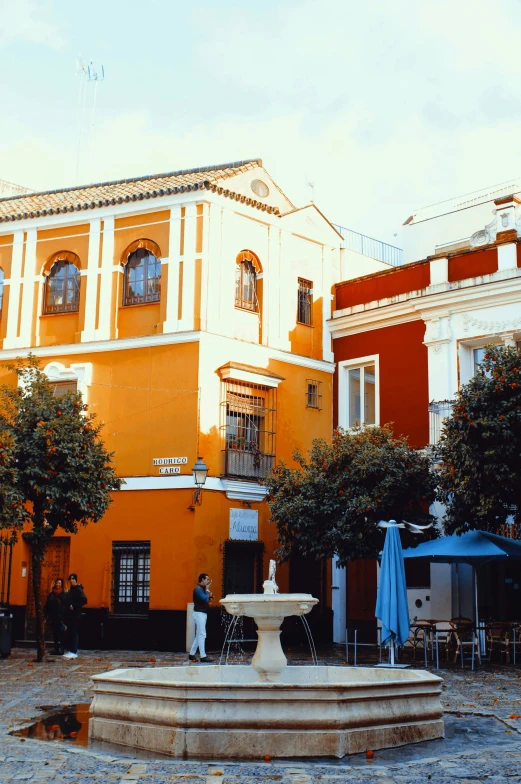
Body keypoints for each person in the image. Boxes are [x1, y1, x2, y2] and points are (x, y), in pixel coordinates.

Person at [189, 573, 213, 663]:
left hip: (202, 613)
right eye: (207, 579)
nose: (208, 581)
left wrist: (209, 597)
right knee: (202, 634)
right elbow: (204, 599)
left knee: (199, 635)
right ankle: (203, 656)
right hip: (199, 614)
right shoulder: (198, 589)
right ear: (202, 580)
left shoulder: (201, 589)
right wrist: (207, 591)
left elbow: (205, 600)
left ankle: (191, 654)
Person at [62, 573, 87, 659]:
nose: (71, 581)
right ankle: (71, 650)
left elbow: (84, 600)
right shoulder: (71, 590)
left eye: (73, 580)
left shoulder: (78, 590)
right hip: (70, 614)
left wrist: (74, 605)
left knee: (74, 632)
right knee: (71, 632)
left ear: (76, 580)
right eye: (70, 580)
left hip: (75, 615)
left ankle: (74, 651)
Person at [43, 578, 67, 655]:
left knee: (61, 634)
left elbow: (65, 605)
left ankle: (61, 649)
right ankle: (56, 649)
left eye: (59, 583)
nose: (58, 584)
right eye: (57, 583)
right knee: (55, 634)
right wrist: (45, 614)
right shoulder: (51, 594)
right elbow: (47, 604)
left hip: (61, 617)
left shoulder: (64, 594)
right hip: (53, 616)